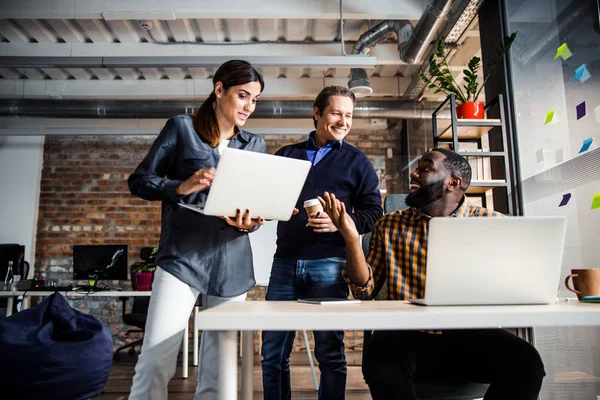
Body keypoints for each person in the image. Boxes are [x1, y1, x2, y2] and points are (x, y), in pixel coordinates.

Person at [319, 148, 546, 400]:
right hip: (403, 335)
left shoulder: (494, 224)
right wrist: (351, 238)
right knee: (382, 364)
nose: (414, 173)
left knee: (527, 363)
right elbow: (365, 290)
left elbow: (517, 285)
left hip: (470, 334)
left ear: (453, 182)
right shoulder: (389, 224)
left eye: (425, 168)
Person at [127, 60, 266, 400]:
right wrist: (179, 185)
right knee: (157, 359)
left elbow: (250, 204)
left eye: (255, 100)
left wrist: (251, 221)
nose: (249, 106)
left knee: (221, 372)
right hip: (182, 259)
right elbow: (140, 180)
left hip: (232, 264)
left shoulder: (256, 144)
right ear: (219, 89)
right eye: (243, 95)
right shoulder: (181, 129)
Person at [261, 86, 383, 400]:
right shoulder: (286, 156)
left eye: (349, 115)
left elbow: (373, 212)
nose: (343, 121)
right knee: (272, 355)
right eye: (336, 113)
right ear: (317, 113)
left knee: (330, 353)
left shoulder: (357, 161)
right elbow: (266, 200)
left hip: (330, 263)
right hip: (284, 262)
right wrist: (272, 206)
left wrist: (341, 222)